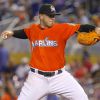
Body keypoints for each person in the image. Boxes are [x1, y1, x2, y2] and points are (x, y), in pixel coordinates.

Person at [1, 4, 100, 100]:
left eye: (54, 16)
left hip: (60, 77)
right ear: (41, 16)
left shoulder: (62, 28)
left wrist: (95, 28)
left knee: (82, 98)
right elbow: (24, 32)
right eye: (50, 15)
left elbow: (81, 27)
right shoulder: (33, 29)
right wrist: (12, 33)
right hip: (37, 78)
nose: (52, 18)